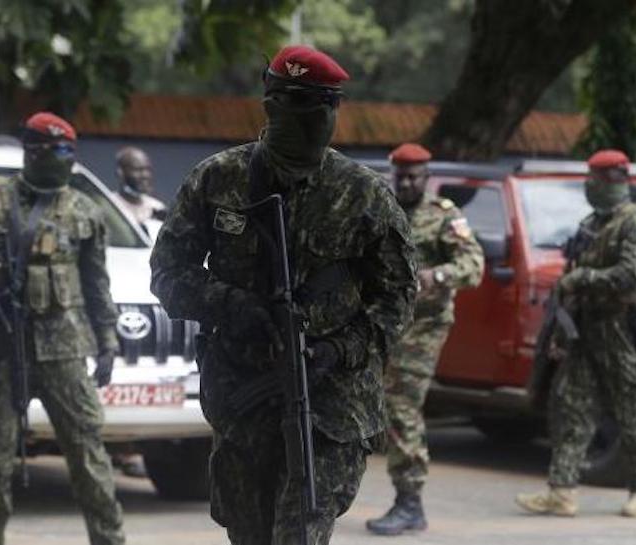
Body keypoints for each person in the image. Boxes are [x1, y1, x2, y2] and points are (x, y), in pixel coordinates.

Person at [150, 45, 416, 545]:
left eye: (325, 107)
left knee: (298, 533)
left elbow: (398, 294)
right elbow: (168, 273)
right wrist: (234, 305)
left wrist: (341, 348)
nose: (316, 120)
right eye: (299, 107)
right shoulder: (218, 179)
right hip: (242, 396)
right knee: (249, 534)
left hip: (331, 404)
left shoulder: (362, 195)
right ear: (271, 106)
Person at [0, 112, 126, 544]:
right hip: (2, 348)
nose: (63, 160)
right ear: (32, 152)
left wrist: (108, 342)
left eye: (68, 152)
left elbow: (97, 285)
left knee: (89, 456)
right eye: (54, 151)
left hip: (66, 354)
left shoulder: (84, 211)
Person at [516, 149, 636, 518]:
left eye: (593, 179)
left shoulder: (635, 223)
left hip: (618, 328)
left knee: (629, 409)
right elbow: (571, 270)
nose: (588, 186)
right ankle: (562, 491)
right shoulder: (591, 222)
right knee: (570, 406)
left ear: (612, 181)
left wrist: (583, 279)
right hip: (583, 328)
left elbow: (632, 278)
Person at [366, 143, 484, 535]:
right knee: (373, 403)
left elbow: (473, 265)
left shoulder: (443, 216)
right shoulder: (381, 210)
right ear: (392, 174)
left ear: (427, 176)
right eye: (401, 175)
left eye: (415, 176)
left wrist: (438, 276)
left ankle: (410, 502)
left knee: (402, 406)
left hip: (425, 325)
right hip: (384, 322)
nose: (408, 182)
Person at [112, 146, 166, 236]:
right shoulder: (110, 205)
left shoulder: (158, 208)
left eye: (147, 169)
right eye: (138, 170)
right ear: (120, 172)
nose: (145, 175)